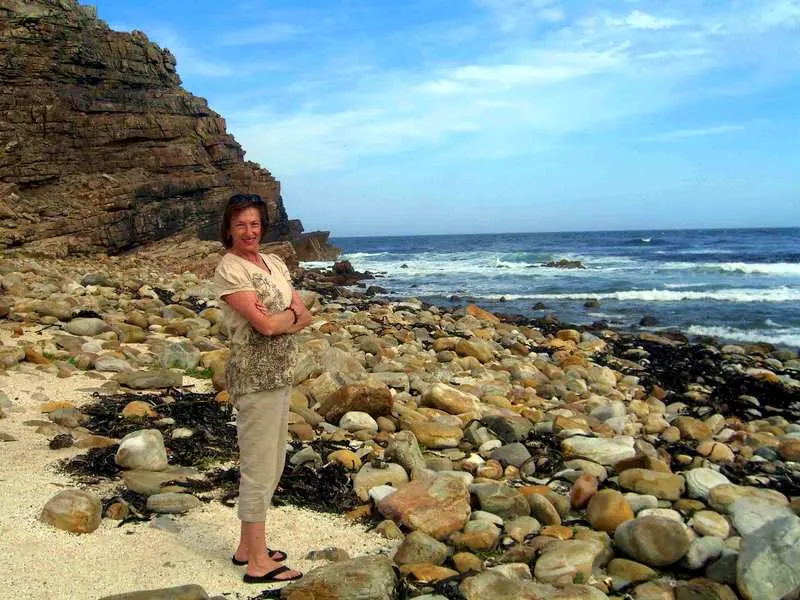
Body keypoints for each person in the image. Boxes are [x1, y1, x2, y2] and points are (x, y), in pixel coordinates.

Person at [213, 193, 312, 584]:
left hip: (281, 373)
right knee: (258, 466)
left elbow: (304, 313)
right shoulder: (230, 269)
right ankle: (257, 562)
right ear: (229, 229)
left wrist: (284, 317)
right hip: (254, 378)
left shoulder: (273, 262)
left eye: (254, 224)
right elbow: (267, 326)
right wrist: (287, 317)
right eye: (241, 225)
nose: (249, 231)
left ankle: (246, 547)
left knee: (273, 463)